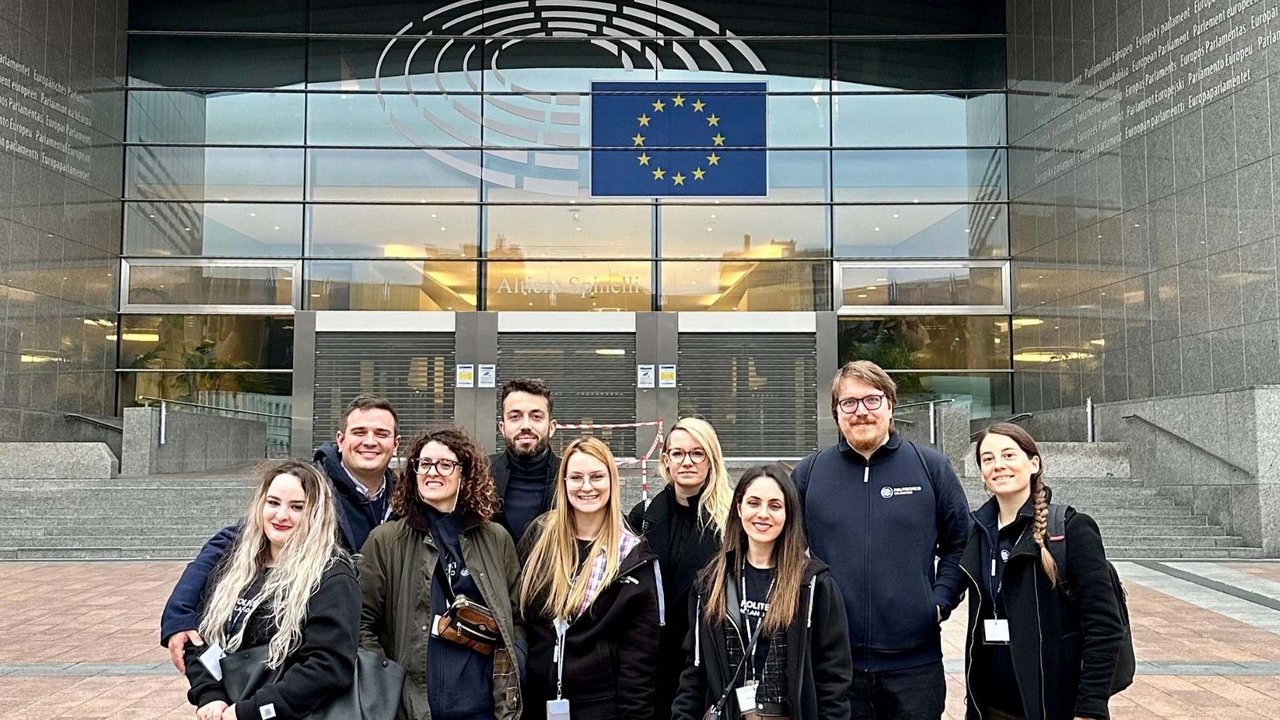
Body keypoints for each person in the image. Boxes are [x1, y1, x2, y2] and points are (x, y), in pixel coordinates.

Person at [162, 395, 400, 673]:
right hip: (307, 645)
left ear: (395, 443)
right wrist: (179, 616)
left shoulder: (406, 498)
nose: (370, 441)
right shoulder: (309, 483)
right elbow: (230, 540)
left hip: (378, 641)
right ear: (340, 439)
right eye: (359, 432)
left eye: (381, 433)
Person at [791, 360, 969, 720]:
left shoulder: (930, 467)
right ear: (836, 413)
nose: (861, 411)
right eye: (849, 403)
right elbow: (785, 551)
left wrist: (939, 601)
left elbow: (961, 544)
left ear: (890, 405)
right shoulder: (810, 473)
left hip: (915, 666)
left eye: (872, 400)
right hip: (834, 664)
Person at [358, 426, 525, 720]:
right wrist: (387, 683)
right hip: (413, 709)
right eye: (425, 463)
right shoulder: (386, 541)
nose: (432, 472)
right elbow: (360, 622)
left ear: (464, 473)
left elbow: (518, 618)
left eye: (445, 464)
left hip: (484, 709)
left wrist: (515, 664)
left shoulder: (496, 539)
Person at [963, 424, 1125, 720]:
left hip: (1055, 708)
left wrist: (1090, 707)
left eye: (1009, 455)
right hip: (991, 709)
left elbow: (1104, 626)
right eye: (988, 459)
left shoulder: (1072, 529)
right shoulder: (978, 533)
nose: (998, 465)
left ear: (1034, 463)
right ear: (982, 473)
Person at [183, 459, 360, 720]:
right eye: (273, 502)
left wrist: (252, 711)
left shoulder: (332, 577)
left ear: (316, 514)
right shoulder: (234, 567)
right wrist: (210, 695)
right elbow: (200, 639)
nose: (281, 515)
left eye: (297, 507)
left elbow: (328, 666)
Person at [672, 465, 853, 720]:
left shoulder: (813, 585)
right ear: (739, 508)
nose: (763, 514)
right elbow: (694, 673)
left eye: (775, 506)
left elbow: (833, 679)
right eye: (754, 503)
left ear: (789, 513)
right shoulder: (710, 583)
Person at [518, 437, 662, 720]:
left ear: (612, 481)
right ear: (564, 482)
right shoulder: (538, 538)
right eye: (576, 477)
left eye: (596, 477)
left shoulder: (633, 559)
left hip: (601, 709)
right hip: (535, 704)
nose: (586, 487)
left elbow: (638, 667)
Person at [626, 417, 732, 716]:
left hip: (706, 661)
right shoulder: (643, 517)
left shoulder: (731, 522)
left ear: (711, 460)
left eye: (697, 453)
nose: (687, 461)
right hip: (651, 662)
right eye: (678, 453)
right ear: (666, 460)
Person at [491, 378, 561, 542]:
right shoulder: (480, 474)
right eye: (515, 417)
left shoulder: (571, 477)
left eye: (536, 416)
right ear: (502, 427)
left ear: (551, 427)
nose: (525, 426)